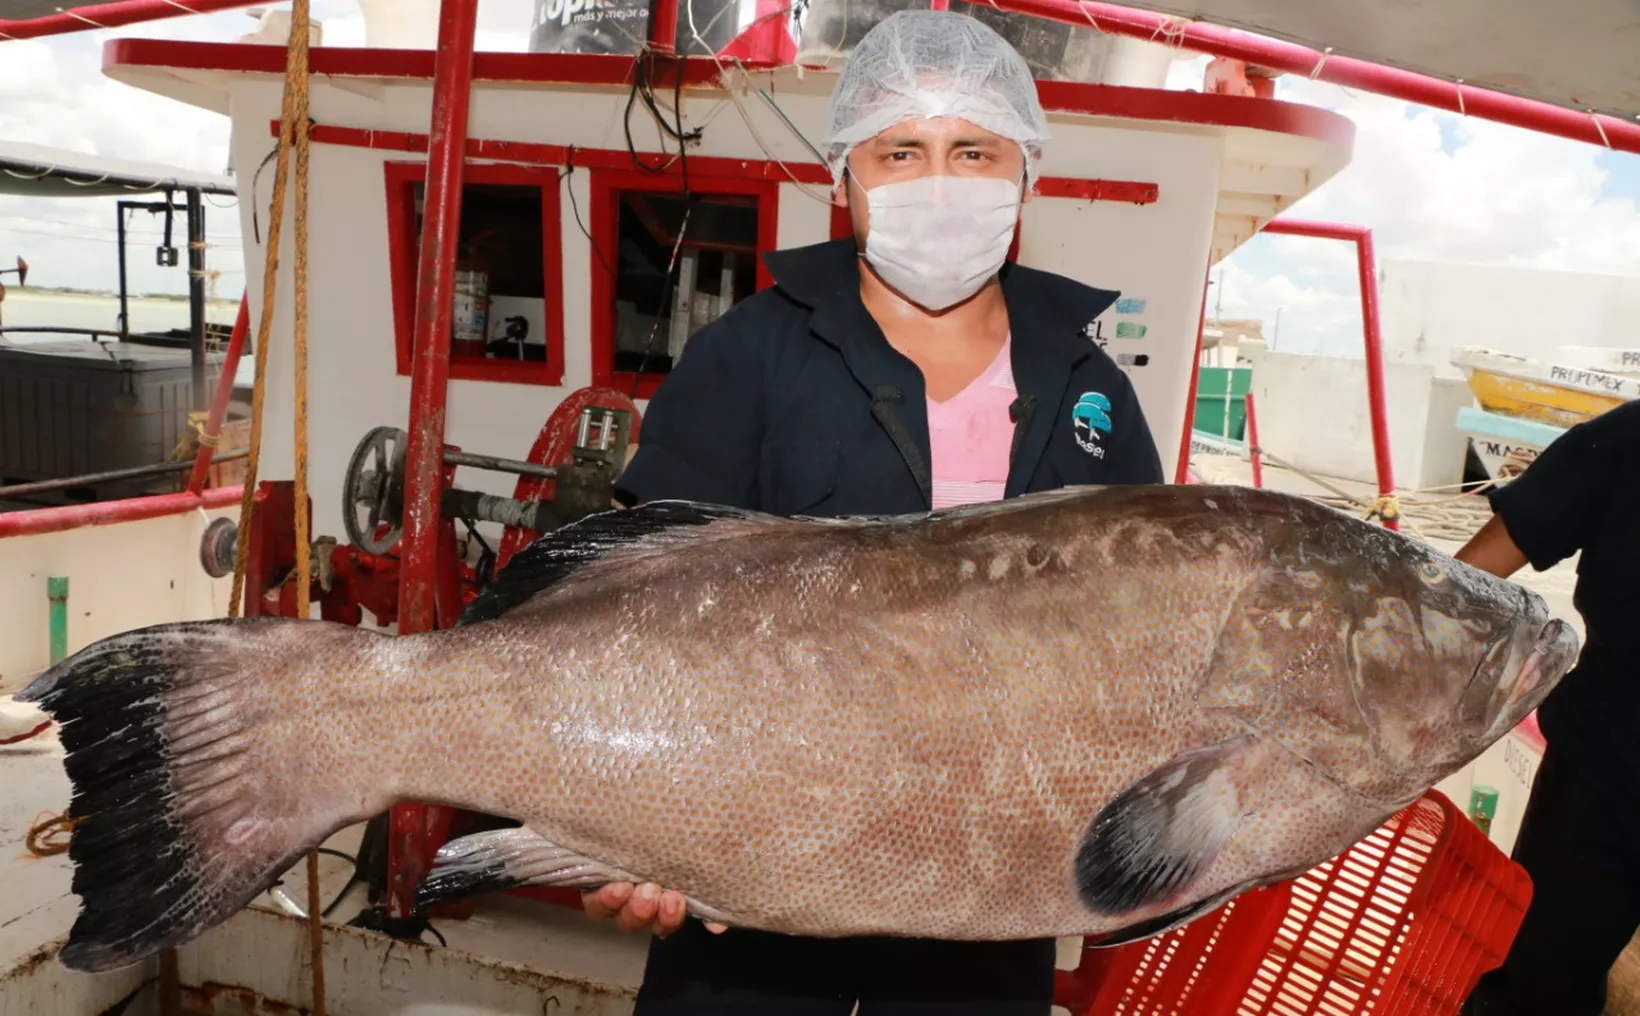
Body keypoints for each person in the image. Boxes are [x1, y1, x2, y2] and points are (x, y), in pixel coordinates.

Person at [594, 9, 1164, 1013]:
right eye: (900, 151)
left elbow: (1137, 646)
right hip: (755, 862)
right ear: (843, 173)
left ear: (1026, 171)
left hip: (988, 884)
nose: (939, 181)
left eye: (973, 151)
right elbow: (639, 607)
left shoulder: (1091, 388)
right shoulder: (745, 355)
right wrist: (629, 819)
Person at [1455, 398, 1640, 1016]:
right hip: (1602, 780)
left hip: (1601, 767)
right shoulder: (1624, 441)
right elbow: (1461, 587)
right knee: (1533, 988)